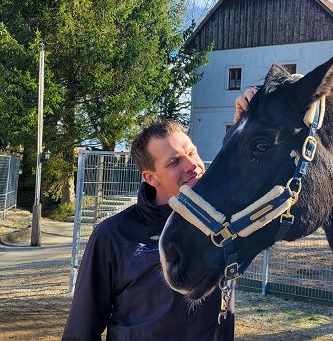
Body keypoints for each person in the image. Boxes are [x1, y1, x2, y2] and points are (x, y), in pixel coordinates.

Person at [62, 120, 233, 341]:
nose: (193, 165)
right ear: (150, 177)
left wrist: (251, 111)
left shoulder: (223, 223)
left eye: (192, 152)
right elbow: (81, 331)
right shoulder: (113, 235)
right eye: (174, 161)